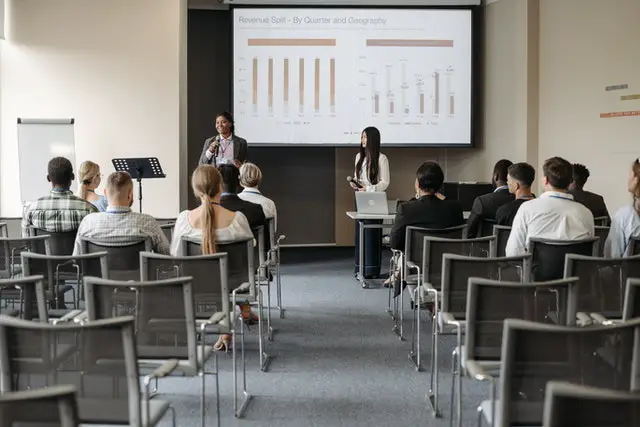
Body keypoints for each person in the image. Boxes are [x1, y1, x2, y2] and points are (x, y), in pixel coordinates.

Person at [171, 165, 255, 351]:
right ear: (221, 188)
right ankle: (227, 326)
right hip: (233, 288)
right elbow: (249, 254)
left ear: (195, 190)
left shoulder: (184, 220)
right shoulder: (238, 220)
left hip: (194, 287)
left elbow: (175, 256)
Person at [389, 161, 464, 298]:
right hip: (448, 263)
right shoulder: (455, 208)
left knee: (403, 258)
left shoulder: (406, 208)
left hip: (415, 266)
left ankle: (421, 298)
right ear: (440, 185)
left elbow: (394, 243)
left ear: (417, 184)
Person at [505, 156, 595, 257]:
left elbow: (513, 253)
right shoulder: (585, 213)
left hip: (534, 272)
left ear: (546, 180)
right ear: (570, 181)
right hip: (577, 272)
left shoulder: (527, 209)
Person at [73, 171, 170, 255]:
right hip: (138, 276)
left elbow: (77, 258)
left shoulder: (88, 222)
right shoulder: (148, 223)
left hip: (96, 277)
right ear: (130, 195)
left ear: (106, 193)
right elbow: (166, 255)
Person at [22, 156, 97, 236]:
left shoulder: (30, 210)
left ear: (48, 178)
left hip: (41, 249)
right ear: (72, 177)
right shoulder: (90, 210)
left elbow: (27, 242)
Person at [465, 159, 515, 237]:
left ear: (496, 176)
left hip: (486, 246)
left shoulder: (482, 201)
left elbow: (468, 232)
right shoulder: (522, 201)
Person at [604, 159, 640, 258]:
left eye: (630, 174)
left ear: (636, 179)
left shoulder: (624, 215)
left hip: (629, 273)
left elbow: (612, 257)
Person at [217, 164, 266, 230]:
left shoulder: (209, 212)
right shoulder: (256, 210)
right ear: (239, 182)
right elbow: (266, 239)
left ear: (218, 183)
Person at [238, 162, 277, 230]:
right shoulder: (269, 203)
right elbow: (273, 231)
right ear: (259, 177)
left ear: (240, 178)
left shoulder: (235, 201)